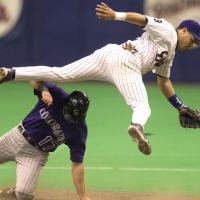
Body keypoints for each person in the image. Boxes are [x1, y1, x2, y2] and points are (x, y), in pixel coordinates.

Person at [0, 2, 200, 155]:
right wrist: (115, 15)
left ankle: (11, 73)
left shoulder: (169, 52)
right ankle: (137, 126)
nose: (192, 45)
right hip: (126, 62)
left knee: (60, 73)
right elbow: (143, 19)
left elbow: (163, 81)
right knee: (142, 107)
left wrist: (180, 106)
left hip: (110, 55)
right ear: (183, 30)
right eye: (193, 39)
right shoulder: (168, 30)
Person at [0, 81, 91, 200]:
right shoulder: (58, 95)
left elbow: (77, 164)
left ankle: (7, 194)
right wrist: (44, 90)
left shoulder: (79, 130)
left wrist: (82, 196)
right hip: (16, 138)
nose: (70, 119)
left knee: (23, 194)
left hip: (35, 155)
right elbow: (34, 80)